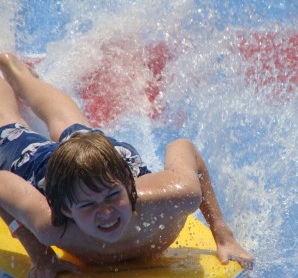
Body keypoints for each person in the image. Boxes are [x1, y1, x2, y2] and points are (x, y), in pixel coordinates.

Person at [0, 53, 254, 278]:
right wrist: (41, 256)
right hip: (47, 173)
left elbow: (184, 147)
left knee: (79, 134)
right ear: (65, 209)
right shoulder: (52, 225)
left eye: (113, 197)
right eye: (88, 206)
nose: (106, 212)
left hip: (110, 167)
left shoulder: (178, 195)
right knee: (8, 129)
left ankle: (15, 68)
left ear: (130, 188)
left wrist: (222, 233)